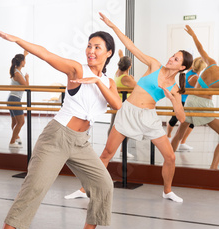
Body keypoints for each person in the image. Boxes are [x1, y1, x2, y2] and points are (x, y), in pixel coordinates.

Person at [0, 27, 122, 229]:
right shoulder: (77, 69)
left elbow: (117, 105)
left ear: (109, 53)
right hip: (56, 138)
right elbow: (46, 55)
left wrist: (97, 82)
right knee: (34, 188)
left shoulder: (108, 82)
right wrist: (18, 40)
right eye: (89, 46)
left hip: (81, 142)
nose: (90, 51)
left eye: (97, 47)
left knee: (104, 184)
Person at [97, 13, 192, 203]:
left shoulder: (174, 88)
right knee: (107, 153)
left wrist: (172, 100)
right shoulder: (154, 64)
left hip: (148, 118)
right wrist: (112, 26)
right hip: (128, 112)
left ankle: (167, 191)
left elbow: (181, 118)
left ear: (182, 67)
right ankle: (85, 189)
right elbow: (131, 46)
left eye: (176, 59)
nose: (171, 59)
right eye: (173, 55)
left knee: (170, 157)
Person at [64, 49, 137, 200]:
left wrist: (121, 56)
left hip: (123, 110)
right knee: (107, 152)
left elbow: (122, 64)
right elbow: (138, 88)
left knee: (109, 148)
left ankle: (85, 188)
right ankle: (85, 189)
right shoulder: (126, 78)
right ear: (129, 67)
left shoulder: (117, 73)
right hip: (125, 110)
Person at [171, 25, 219, 170]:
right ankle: (213, 168)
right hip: (203, 105)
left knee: (179, 133)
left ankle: (167, 161)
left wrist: (193, 35)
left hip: (191, 101)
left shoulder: (212, 64)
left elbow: (200, 48)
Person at [167, 57, 206, 151]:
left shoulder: (191, 71)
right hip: (185, 101)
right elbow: (203, 89)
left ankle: (171, 138)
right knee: (188, 122)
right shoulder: (195, 78)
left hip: (182, 99)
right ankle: (180, 142)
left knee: (176, 119)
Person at [7, 50, 29, 148]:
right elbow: (26, 87)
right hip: (15, 100)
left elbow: (20, 60)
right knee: (21, 122)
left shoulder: (17, 70)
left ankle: (16, 137)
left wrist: (24, 54)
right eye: (24, 61)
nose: (25, 62)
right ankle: (12, 142)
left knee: (15, 122)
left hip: (12, 99)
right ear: (21, 62)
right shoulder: (18, 74)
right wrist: (27, 78)